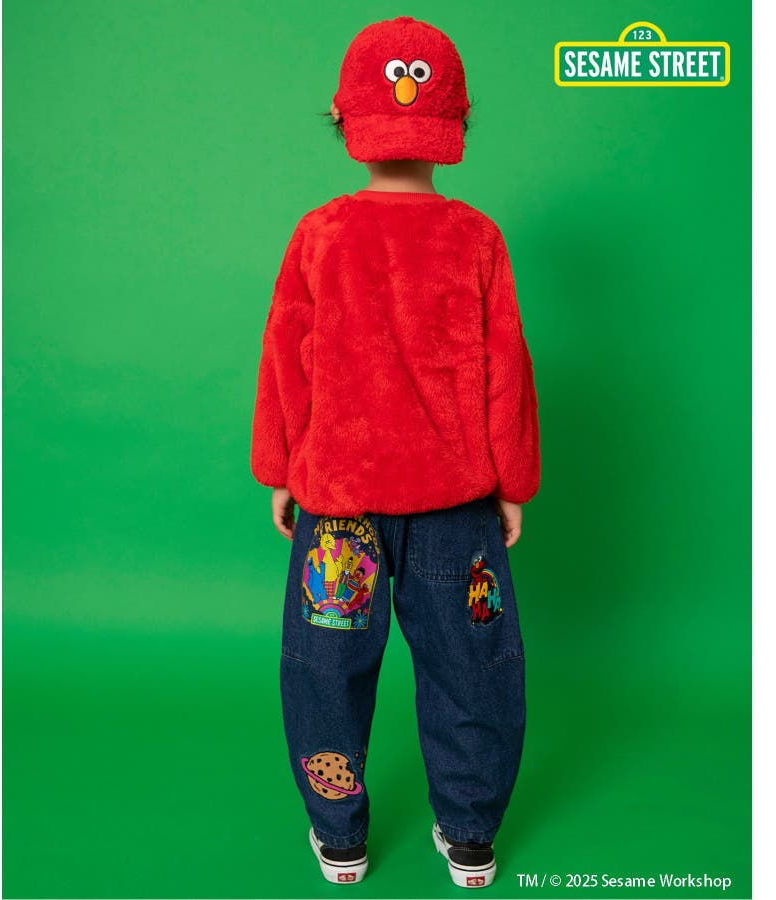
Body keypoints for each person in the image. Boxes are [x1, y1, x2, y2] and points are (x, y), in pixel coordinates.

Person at [250, 15, 541, 889]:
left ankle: (339, 836)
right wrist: (513, 482)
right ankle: (471, 836)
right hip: (456, 507)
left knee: (326, 675)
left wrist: (280, 468)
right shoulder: (476, 237)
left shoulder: (320, 233)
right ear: (459, 120)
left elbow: (286, 358)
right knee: (471, 671)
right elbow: (506, 369)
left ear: (344, 118)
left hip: (338, 512)